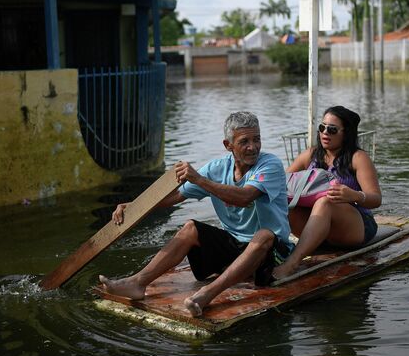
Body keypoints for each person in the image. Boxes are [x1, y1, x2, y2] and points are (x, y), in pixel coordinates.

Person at [98, 111, 293, 317]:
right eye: (244, 141)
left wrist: (200, 180)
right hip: (236, 247)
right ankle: (137, 283)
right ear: (228, 145)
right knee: (190, 228)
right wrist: (134, 206)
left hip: (273, 254)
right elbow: (175, 197)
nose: (252, 147)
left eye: (257, 139)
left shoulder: (270, 165)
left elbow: (245, 197)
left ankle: (206, 294)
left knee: (265, 235)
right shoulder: (217, 168)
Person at [272, 106, 382, 280]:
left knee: (325, 201)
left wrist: (354, 195)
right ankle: (271, 250)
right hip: (319, 228)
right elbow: (280, 184)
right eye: (322, 127)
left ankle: (292, 263)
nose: (325, 133)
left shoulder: (358, 157)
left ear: (346, 133)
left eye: (332, 130)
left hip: (355, 227)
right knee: (284, 201)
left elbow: (376, 199)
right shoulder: (310, 155)